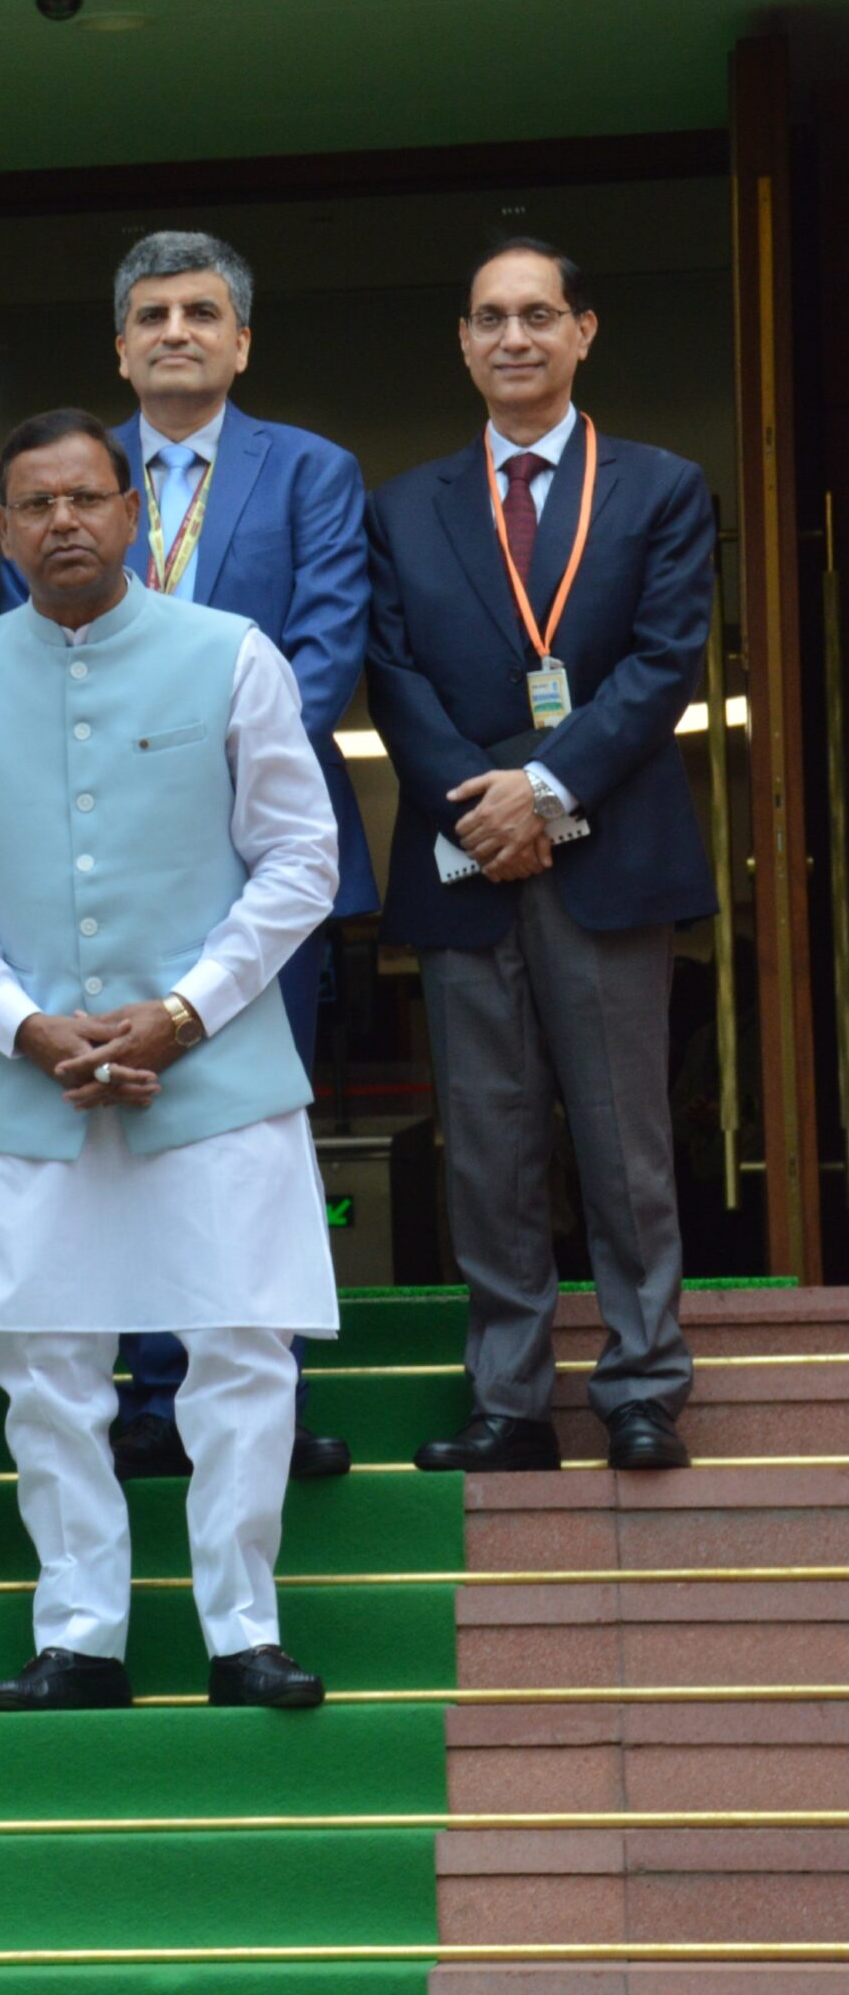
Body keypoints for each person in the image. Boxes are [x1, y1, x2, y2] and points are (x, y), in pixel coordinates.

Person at [0, 407, 337, 1713]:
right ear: (5, 529)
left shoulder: (229, 653)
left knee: (242, 1352)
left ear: (132, 509)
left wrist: (185, 1008)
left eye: (86, 496)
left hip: (217, 1064)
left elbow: (303, 857)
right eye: (35, 504)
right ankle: (82, 1632)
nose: (62, 521)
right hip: (30, 1072)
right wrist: (22, 1019)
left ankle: (242, 1629)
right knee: (43, 1361)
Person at [6, 232, 368, 1486]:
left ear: (241, 340)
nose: (175, 330)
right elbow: (33, 651)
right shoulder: (76, 478)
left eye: (202, 311)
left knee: (249, 1134)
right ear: (118, 343)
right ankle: (152, 1397)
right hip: (98, 867)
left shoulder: (312, 471)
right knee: (120, 1128)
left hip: (260, 861)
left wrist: (194, 780)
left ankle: (258, 1398)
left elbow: (322, 648)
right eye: (150, 313)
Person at [368, 239, 710, 1474]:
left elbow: (664, 663)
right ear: (461, 343)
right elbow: (391, 678)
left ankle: (640, 1384)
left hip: (608, 859)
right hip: (466, 863)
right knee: (490, 1141)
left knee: (624, 1143)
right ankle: (508, 1399)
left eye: (538, 316)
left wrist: (544, 793)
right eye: (489, 319)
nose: (514, 338)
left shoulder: (661, 487)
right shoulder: (402, 506)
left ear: (583, 332)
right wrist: (485, 808)